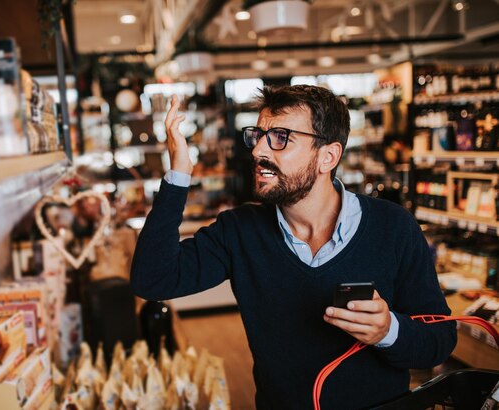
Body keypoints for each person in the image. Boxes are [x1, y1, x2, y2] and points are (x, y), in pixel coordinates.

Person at [130, 85, 456, 409]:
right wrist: (178, 175)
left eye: (281, 137)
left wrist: (388, 331)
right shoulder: (240, 231)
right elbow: (153, 279)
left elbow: (440, 342)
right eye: (258, 135)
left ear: (327, 157)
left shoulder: (393, 227)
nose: (258, 150)